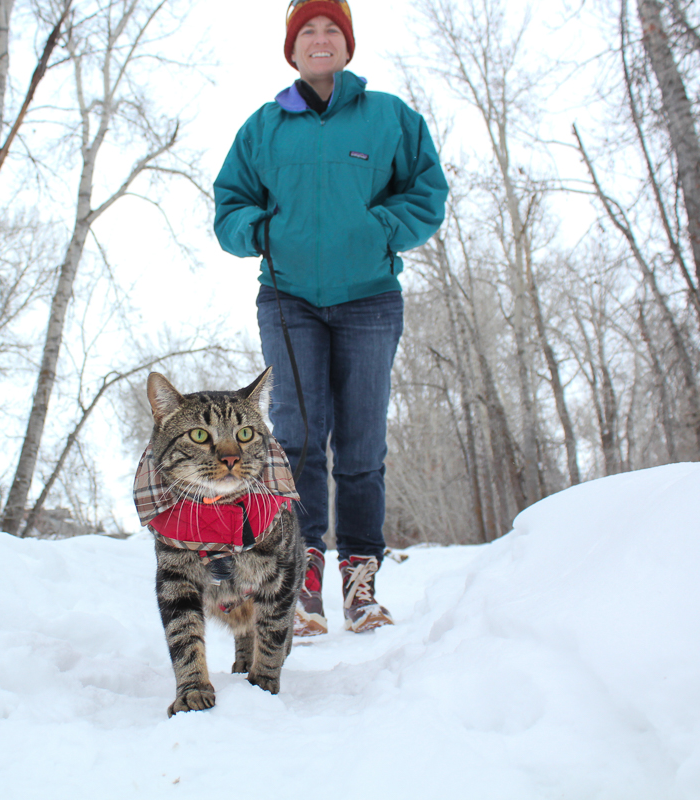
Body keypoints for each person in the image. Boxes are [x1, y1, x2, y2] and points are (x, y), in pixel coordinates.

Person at [213, 0, 448, 635]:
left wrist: (382, 229)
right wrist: (258, 230)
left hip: (370, 298)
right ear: (291, 50)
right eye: (307, 31)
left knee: (363, 441)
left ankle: (361, 582)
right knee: (296, 435)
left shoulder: (389, 118)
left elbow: (427, 191)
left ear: (347, 45)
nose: (320, 40)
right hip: (289, 300)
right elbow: (228, 205)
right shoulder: (265, 127)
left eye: (332, 30)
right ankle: (300, 578)